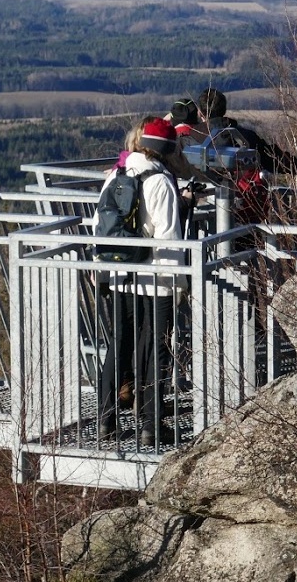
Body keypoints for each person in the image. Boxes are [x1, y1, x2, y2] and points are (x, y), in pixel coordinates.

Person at [96, 117, 185, 447]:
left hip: (120, 275)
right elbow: (169, 237)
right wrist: (176, 285)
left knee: (118, 345)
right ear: (165, 149)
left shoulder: (117, 176)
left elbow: (100, 223)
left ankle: (106, 421)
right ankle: (150, 425)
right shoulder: (160, 181)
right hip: (155, 279)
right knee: (156, 348)